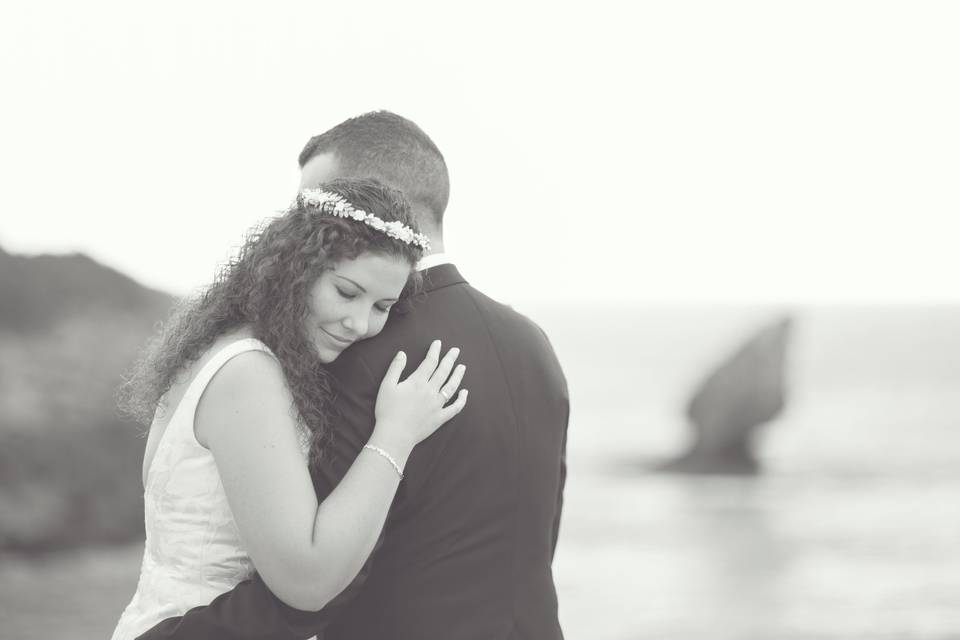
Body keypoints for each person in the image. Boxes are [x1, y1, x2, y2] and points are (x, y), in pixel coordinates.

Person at [137, 111, 570, 640]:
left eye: (311, 204)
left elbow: (315, 591)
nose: (299, 226)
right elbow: (535, 537)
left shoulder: (361, 354)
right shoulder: (534, 344)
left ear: (374, 199)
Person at [111, 178, 467, 640]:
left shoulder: (232, 349)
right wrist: (395, 434)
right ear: (296, 267)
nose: (360, 323)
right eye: (345, 291)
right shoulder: (248, 372)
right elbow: (308, 582)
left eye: (382, 306)